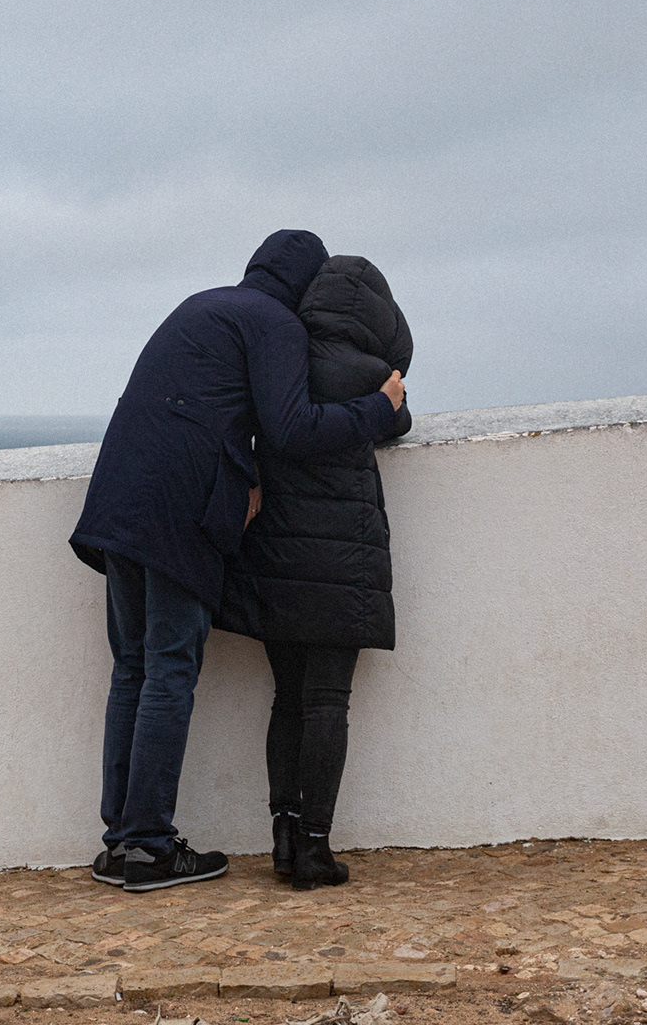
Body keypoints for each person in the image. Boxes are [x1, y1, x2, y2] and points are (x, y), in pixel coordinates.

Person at [70, 230, 407, 893]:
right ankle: (149, 847)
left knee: (133, 667)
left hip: (119, 494)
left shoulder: (207, 305)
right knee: (168, 667)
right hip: (176, 506)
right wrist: (378, 406)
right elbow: (293, 428)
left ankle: (122, 841)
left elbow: (209, 405)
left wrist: (246, 464)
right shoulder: (276, 324)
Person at [216, 254, 413, 890]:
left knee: (288, 697)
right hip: (341, 562)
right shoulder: (372, 376)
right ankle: (316, 848)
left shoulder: (282, 361)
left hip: (276, 557)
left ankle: (281, 835)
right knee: (328, 700)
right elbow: (398, 422)